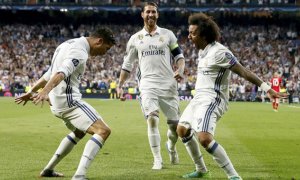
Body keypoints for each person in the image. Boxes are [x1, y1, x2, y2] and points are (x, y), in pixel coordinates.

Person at [176, 13, 285, 180]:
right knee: (182, 130)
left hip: (213, 99)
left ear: (204, 35)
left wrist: (267, 88)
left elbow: (243, 71)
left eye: (193, 33)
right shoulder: (202, 51)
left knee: (204, 138)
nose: (189, 36)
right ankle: (202, 170)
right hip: (198, 98)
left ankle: (234, 176)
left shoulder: (220, 52)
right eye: (189, 32)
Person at [15, 27, 116, 180]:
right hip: (68, 102)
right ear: (99, 41)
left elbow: (49, 73)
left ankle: (48, 170)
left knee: (79, 131)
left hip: (56, 104)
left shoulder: (65, 45)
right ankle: (79, 175)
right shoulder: (80, 51)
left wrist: (32, 91)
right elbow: (61, 72)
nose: (105, 53)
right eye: (106, 48)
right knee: (103, 131)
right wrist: (45, 91)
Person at [117, 2, 185, 170]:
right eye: (148, 12)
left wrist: (181, 69)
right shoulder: (135, 39)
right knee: (152, 120)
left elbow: (179, 56)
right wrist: (120, 85)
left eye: (154, 12)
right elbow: (127, 65)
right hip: (147, 84)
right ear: (142, 14)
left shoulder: (168, 35)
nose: (151, 15)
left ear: (158, 14)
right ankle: (157, 159)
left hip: (168, 84)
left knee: (175, 126)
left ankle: (171, 146)